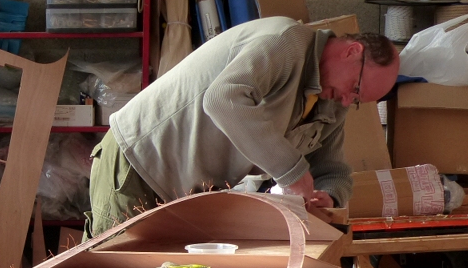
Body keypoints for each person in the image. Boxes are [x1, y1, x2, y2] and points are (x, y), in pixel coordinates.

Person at [86, 17, 400, 237]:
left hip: (186, 194)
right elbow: (222, 100)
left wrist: (329, 197)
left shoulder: (331, 101)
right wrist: (291, 172)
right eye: (355, 90)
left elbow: (332, 170)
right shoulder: (285, 42)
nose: (347, 101)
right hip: (139, 162)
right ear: (352, 51)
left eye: (356, 101)